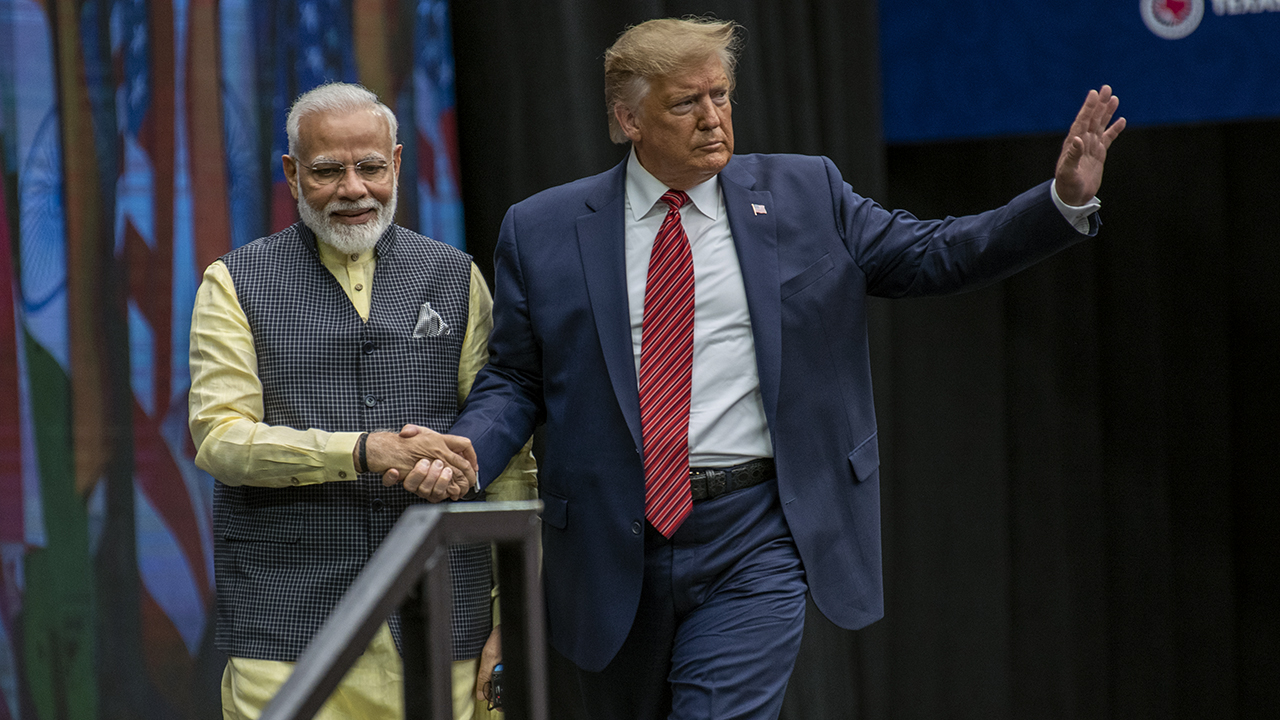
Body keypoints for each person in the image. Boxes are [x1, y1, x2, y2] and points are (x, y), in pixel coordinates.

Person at [391, 16, 1125, 720]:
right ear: (628, 121)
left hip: (756, 531)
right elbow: (517, 378)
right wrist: (471, 448)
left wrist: (1060, 201)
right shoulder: (543, 227)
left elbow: (933, 254)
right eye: (686, 103)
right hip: (614, 540)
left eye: (721, 96)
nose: (714, 118)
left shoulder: (807, 192)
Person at [188, 82, 535, 720]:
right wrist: (361, 450)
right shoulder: (234, 282)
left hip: (446, 619)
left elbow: (506, 456)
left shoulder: (454, 276)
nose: (353, 189)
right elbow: (220, 439)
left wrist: (510, 615)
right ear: (291, 174)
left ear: (397, 164)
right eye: (327, 171)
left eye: (371, 167)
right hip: (287, 628)